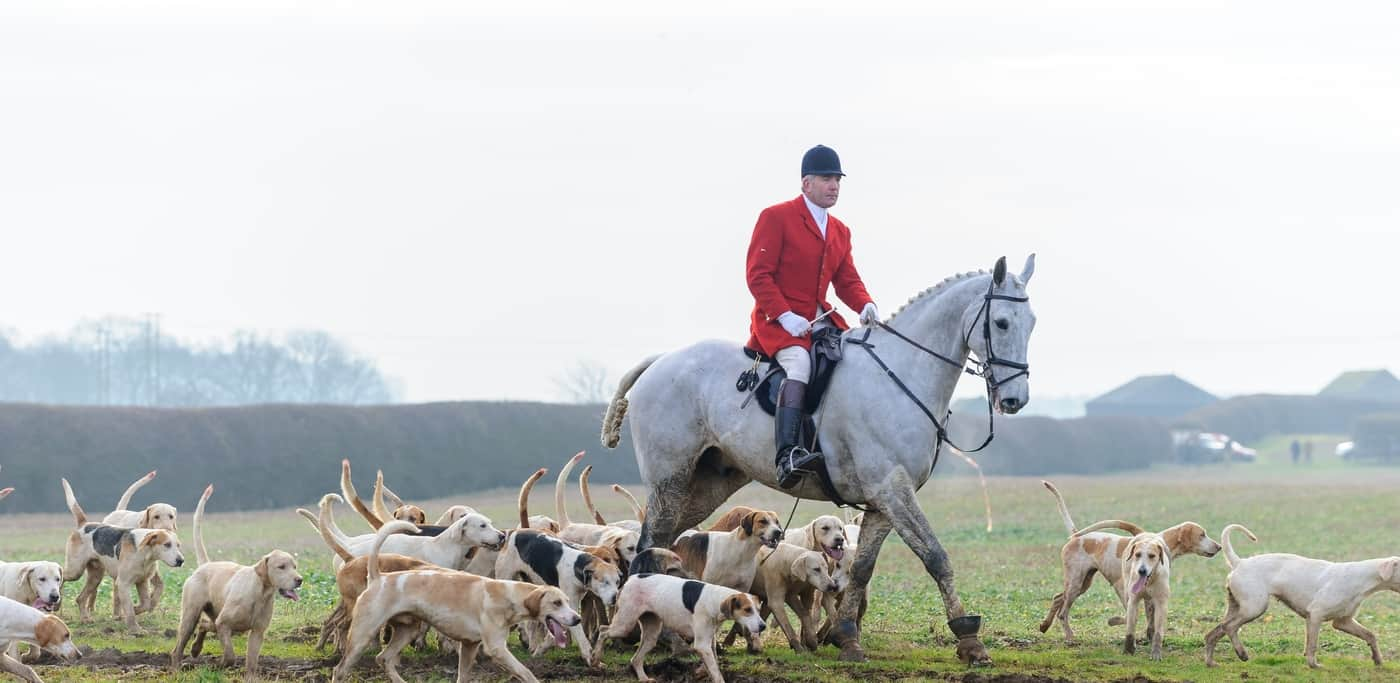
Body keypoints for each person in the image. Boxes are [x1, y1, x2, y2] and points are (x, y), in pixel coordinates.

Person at [745, 145, 878, 489]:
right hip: (778, 324)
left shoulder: (840, 230)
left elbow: (846, 279)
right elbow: (758, 275)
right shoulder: (776, 217)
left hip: (821, 320)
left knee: (854, 359)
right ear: (806, 183)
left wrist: (864, 304)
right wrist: (784, 315)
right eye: (826, 179)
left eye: (837, 179)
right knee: (800, 364)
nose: (834, 185)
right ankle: (788, 454)